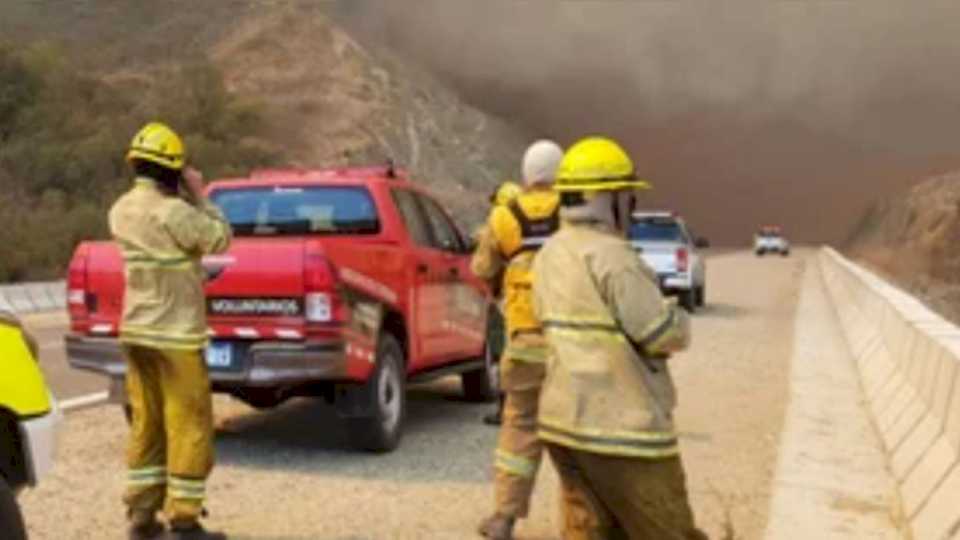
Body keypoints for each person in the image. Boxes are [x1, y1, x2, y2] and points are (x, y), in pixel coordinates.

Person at [532, 137, 706, 539]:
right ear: (605, 200)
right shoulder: (614, 257)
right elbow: (660, 334)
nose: (631, 208)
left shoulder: (549, 255)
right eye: (626, 198)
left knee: (590, 532)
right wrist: (677, 315)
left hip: (563, 423)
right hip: (624, 429)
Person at [109, 122, 232, 540]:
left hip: (135, 332)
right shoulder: (175, 212)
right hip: (176, 337)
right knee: (189, 422)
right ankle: (184, 520)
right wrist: (200, 195)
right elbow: (218, 239)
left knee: (147, 422)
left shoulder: (120, 209)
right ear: (172, 171)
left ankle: (142, 516)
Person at [472, 141, 564, 539]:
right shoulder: (575, 212)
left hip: (525, 339)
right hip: (573, 342)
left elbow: (481, 267)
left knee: (520, 428)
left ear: (527, 176)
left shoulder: (503, 217)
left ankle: (504, 518)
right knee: (581, 434)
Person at [479, 180, 524, 427]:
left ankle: (504, 408)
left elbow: (483, 267)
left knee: (500, 355)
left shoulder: (497, 224)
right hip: (535, 301)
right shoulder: (539, 226)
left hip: (503, 301)